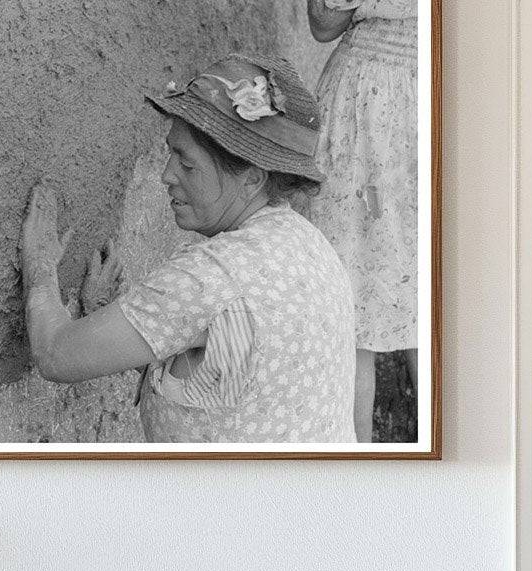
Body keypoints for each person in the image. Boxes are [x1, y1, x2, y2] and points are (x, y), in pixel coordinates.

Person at [19, 53, 357, 444]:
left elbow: (55, 355)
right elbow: (228, 378)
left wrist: (40, 271)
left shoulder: (210, 277)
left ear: (251, 179)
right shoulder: (310, 246)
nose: (166, 175)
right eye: (170, 153)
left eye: (186, 163)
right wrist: (111, 318)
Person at [307, 0, 419, 442]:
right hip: (368, 102)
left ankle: (459, 469)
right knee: (351, 288)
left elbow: (325, 19)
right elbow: (322, 24)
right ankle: (355, 466)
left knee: (423, 292)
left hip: (389, 95)